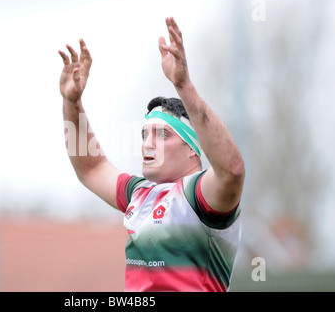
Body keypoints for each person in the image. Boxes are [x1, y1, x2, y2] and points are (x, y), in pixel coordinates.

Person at [58, 17, 245, 292]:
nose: (148, 143)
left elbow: (233, 170)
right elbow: (91, 168)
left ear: (193, 148)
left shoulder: (200, 195)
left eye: (162, 134)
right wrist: (72, 102)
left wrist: (183, 86)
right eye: (145, 134)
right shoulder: (140, 194)